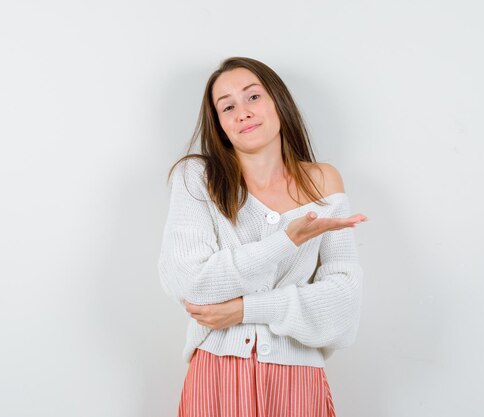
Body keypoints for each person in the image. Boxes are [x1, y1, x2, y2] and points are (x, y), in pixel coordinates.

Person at [157, 56, 368, 417]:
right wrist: (285, 241)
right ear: (220, 124)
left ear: (278, 103)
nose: (242, 112)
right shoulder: (197, 178)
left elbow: (343, 307)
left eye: (252, 97)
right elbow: (192, 284)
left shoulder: (323, 181)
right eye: (227, 106)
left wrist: (244, 309)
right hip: (216, 378)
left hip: (298, 379)